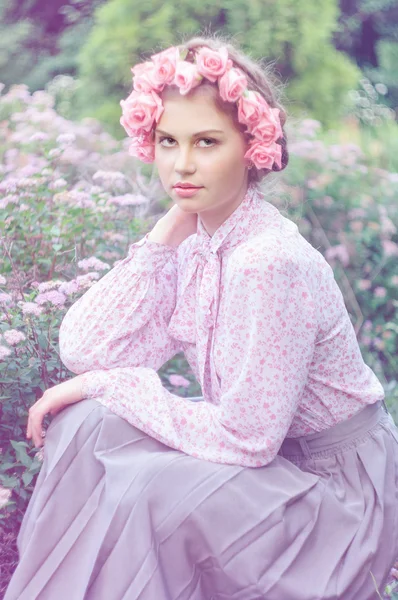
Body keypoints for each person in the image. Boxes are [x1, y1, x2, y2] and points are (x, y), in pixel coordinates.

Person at [5, 35, 398, 600]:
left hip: (336, 497)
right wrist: (168, 231)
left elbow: (248, 438)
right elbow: (86, 348)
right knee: (88, 422)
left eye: (206, 142)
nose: (182, 164)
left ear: (252, 147)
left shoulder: (269, 262)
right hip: (272, 460)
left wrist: (109, 384)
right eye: (168, 141)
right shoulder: (201, 241)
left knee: (144, 488)